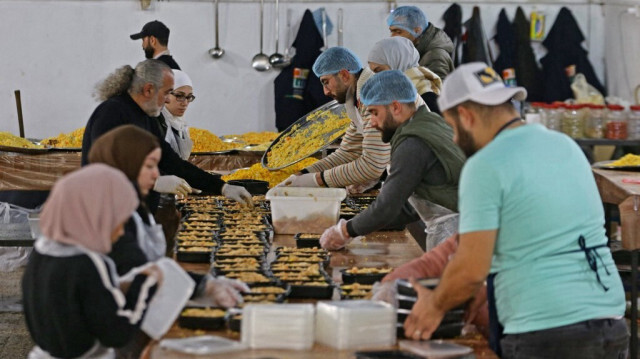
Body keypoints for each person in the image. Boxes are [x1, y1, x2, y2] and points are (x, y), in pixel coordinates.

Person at [403, 63, 628, 359]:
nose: (454, 139)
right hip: (610, 321)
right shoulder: (565, 146)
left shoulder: (485, 165)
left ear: (466, 116)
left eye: (452, 128)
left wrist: (433, 307)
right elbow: (539, 233)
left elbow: (471, 270)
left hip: (546, 331)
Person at [89, 125, 248, 309]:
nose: (156, 174)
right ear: (127, 165)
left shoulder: (129, 204)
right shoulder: (110, 214)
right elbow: (137, 272)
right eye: (149, 166)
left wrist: (203, 284)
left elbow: (149, 269)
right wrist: (201, 286)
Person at [22, 164, 161, 359]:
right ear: (95, 217)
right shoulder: (89, 263)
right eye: (119, 221)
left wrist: (120, 285)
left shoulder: (42, 251)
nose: (121, 231)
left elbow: (75, 302)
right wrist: (145, 283)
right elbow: (118, 334)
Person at [319, 70, 465, 252]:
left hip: (456, 236)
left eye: (374, 112)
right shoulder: (429, 123)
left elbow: (387, 206)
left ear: (395, 107)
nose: (371, 122)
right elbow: (410, 206)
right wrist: (362, 222)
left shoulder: (413, 143)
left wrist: (344, 231)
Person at [81, 59, 251, 206]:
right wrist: (153, 182)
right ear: (148, 90)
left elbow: (172, 162)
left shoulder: (147, 115)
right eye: (167, 93)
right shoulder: (112, 113)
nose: (168, 99)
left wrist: (222, 187)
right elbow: (104, 170)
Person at [277, 47, 390, 193]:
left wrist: (316, 180)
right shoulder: (357, 100)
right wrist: (302, 175)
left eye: (326, 82)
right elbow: (348, 152)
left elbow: (372, 165)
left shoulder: (374, 95)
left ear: (344, 75)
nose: (325, 92)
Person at [367, 36, 442, 114]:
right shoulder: (396, 94)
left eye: (379, 71)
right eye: (373, 73)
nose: (375, 78)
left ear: (398, 63)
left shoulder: (426, 95)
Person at [387, 6, 454, 80]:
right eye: (391, 31)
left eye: (398, 32)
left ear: (417, 31)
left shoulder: (435, 56)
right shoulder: (414, 52)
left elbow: (435, 90)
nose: (392, 36)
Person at [161, 69, 194, 160]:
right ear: (165, 94)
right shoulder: (156, 123)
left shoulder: (180, 124)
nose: (185, 103)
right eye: (179, 96)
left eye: (189, 97)